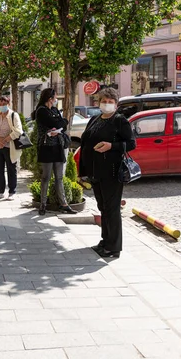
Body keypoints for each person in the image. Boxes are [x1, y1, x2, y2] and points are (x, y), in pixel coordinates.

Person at [78, 88, 136, 258]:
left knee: (112, 209)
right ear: (99, 102)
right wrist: (83, 170)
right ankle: (105, 241)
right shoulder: (95, 119)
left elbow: (131, 143)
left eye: (111, 102)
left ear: (116, 105)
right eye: (104, 101)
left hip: (111, 171)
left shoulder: (119, 121)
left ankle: (114, 247)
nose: (107, 104)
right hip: (96, 172)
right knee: (102, 207)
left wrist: (112, 146)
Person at [32, 88, 76, 216]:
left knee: (59, 177)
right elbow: (55, 123)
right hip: (46, 146)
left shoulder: (55, 110)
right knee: (46, 177)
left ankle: (64, 204)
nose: (56, 99)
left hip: (58, 145)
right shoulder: (41, 111)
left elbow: (62, 124)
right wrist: (60, 123)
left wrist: (60, 123)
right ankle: (43, 204)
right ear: (50, 98)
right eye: (55, 97)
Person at [0, 97, 23, 200]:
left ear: (8, 103)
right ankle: (0, 191)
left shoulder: (13, 115)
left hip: (9, 147)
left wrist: (5, 140)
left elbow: (18, 131)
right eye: (0, 103)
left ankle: (12, 191)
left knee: (11, 169)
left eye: (4, 103)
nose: (2, 105)